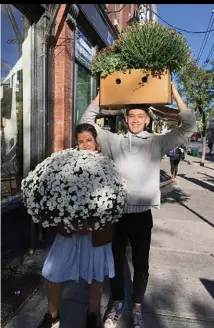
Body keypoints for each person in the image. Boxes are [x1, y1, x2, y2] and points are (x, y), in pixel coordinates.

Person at [80, 82, 196, 328]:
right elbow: (86, 120)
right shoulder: (114, 141)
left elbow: (189, 126)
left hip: (142, 216)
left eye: (140, 116)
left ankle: (137, 308)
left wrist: (175, 93)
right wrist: (105, 93)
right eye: (131, 116)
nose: (135, 120)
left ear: (147, 120)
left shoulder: (157, 143)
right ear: (125, 120)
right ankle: (118, 303)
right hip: (117, 216)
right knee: (117, 263)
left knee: (141, 266)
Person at [38, 123, 115, 328]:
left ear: (96, 141)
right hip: (70, 231)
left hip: (96, 232)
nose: (85, 145)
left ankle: (92, 315)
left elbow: (114, 200)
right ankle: (52, 316)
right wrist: (70, 221)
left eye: (89, 140)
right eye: (80, 141)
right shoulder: (66, 163)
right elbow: (56, 198)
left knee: (96, 276)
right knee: (55, 272)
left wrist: (94, 221)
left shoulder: (106, 164)